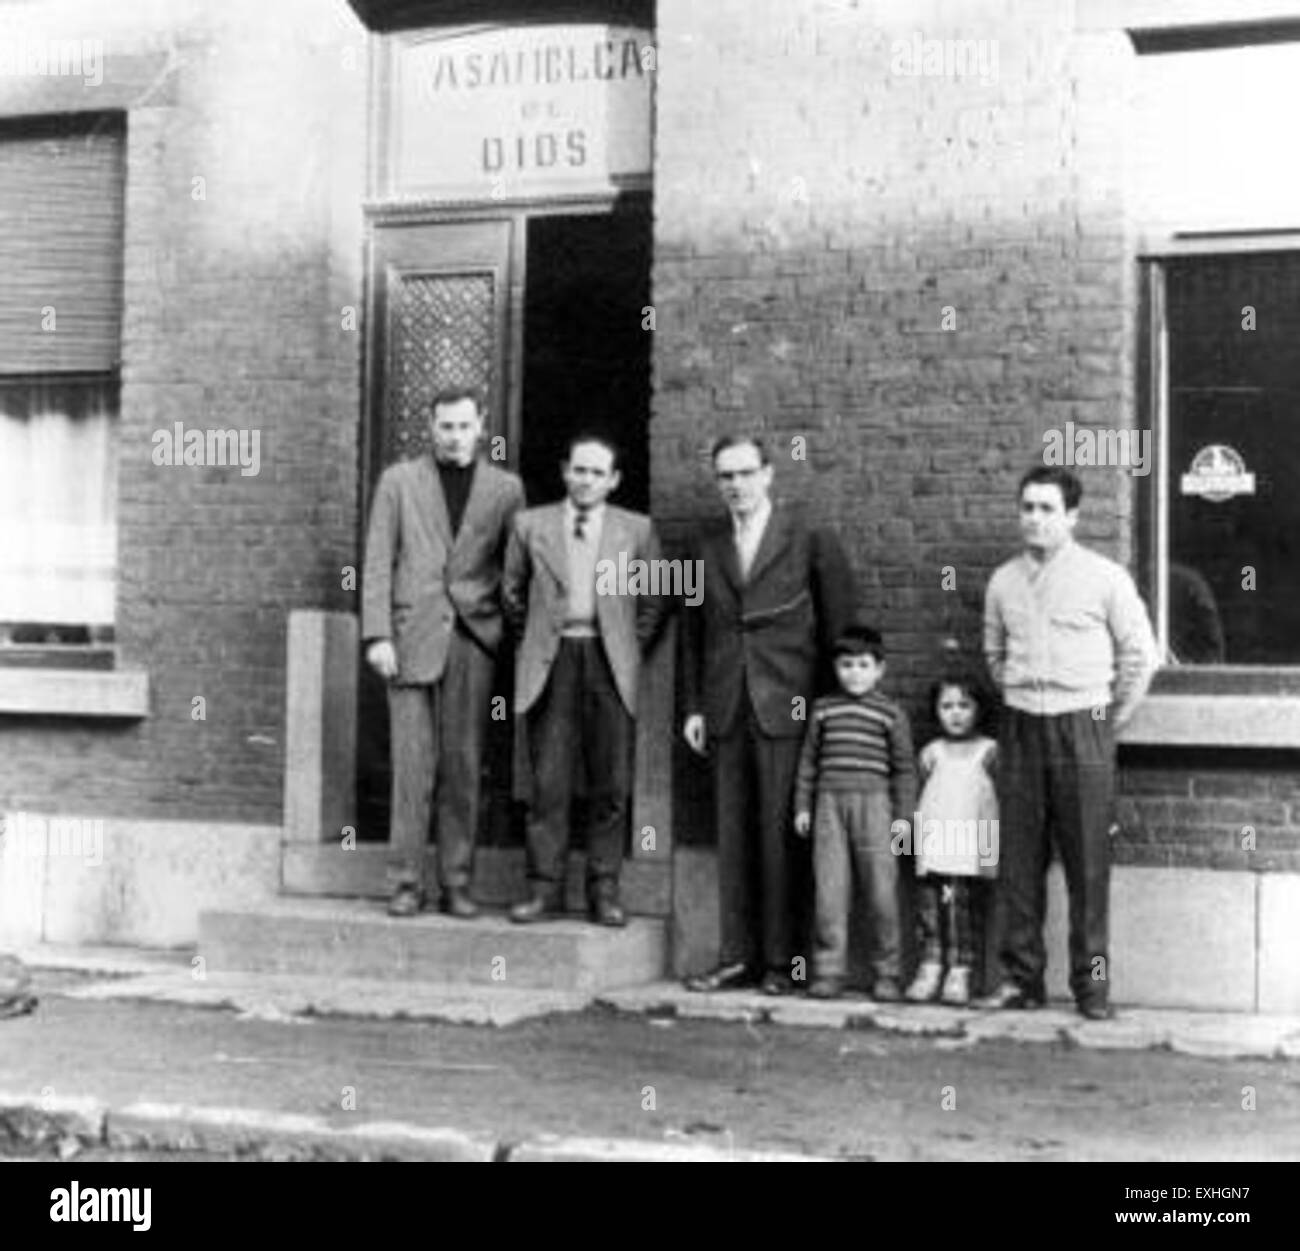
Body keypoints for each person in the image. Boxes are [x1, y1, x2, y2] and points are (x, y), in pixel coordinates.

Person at [980, 466, 1158, 1020]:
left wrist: (1108, 722)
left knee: (1088, 867)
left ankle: (1092, 987)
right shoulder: (1003, 580)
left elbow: (1140, 655)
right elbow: (993, 652)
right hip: (1022, 725)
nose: (1034, 519)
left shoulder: (1105, 577)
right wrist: (1018, 696)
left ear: (1072, 517)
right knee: (1018, 862)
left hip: (1084, 725)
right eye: (1027, 507)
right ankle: (1022, 980)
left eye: (1047, 509)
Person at [682, 434, 856, 996]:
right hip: (727, 706)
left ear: (769, 474)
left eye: (745, 473)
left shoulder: (809, 538)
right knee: (733, 836)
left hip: (790, 706)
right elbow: (692, 632)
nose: (735, 485)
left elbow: (840, 631)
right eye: (725, 476)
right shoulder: (703, 543)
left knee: (784, 837)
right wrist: (693, 706)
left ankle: (785, 963)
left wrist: (831, 712)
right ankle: (738, 957)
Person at [361, 388, 525, 919]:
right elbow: (378, 560)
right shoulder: (398, 482)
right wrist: (377, 634)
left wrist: (500, 625)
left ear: (482, 426)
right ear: (430, 428)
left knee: (463, 765)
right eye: (445, 427)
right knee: (412, 767)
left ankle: (457, 882)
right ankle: (406, 882)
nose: (455, 436)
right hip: (409, 639)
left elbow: (514, 568)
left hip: (472, 641)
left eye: (464, 426)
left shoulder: (506, 489)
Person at [503, 434, 670, 926]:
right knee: (548, 781)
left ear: (614, 480)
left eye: (598, 473)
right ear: (564, 471)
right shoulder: (529, 525)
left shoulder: (637, 530)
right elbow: (511, 592)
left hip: (609, 662)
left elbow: (655, 598)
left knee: (611, 781)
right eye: (579, 470)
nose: (587, 480)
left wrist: (624, 643)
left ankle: (604, 890)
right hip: (551, 660)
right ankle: (544, 889)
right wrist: (537, 640)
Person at [792, 625, 916, 1001]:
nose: (855, 673)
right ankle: (829, 971)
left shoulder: (890, 714)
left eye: (863, 665)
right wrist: (802, 806)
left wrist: (903, 819)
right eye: (846, 665)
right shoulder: (823, 710)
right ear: (836, 668)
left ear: (880, 669)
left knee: (881, 891)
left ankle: (889, 973)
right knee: (830, 891)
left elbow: (905, 769)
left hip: (876, 807)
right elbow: (808, 763)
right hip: (829, 806)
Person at [903, 674, 999, 1008]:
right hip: (936, 843)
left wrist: (989, 854)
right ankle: (930, 964)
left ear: (978, 709)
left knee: (961, 908)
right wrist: (909, 842)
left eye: (964, 705)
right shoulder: (932, 753)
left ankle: (961, 969)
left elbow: (994, 804)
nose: (955, 713)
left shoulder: (990, 751)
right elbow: (920, 797)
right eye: (946, 706)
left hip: (971, 845)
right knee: (931, 906)